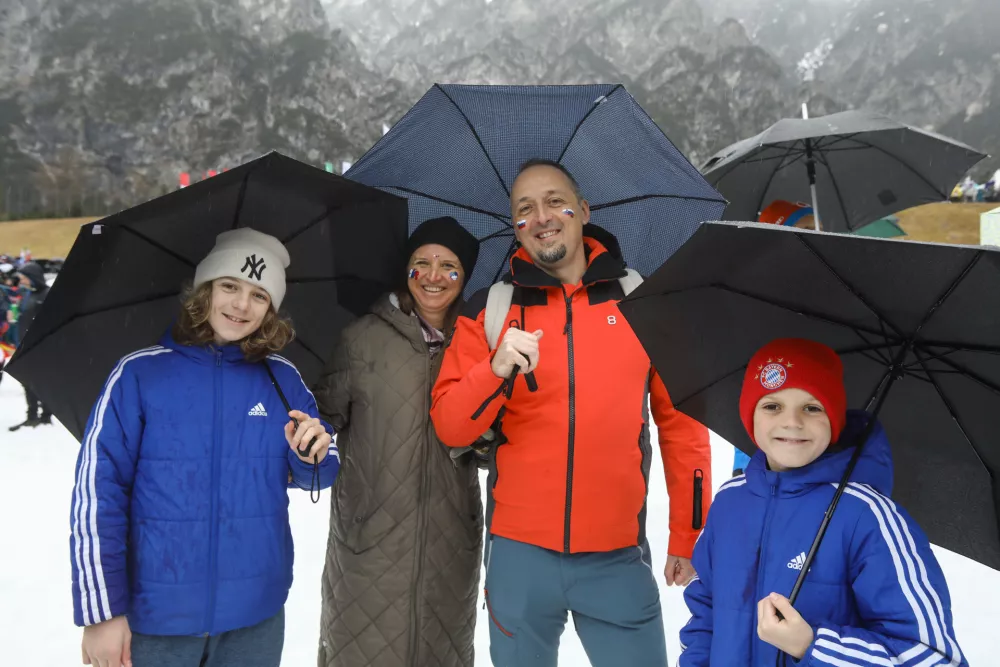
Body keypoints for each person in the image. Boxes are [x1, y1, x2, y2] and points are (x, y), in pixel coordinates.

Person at [431, 159, 712, 667]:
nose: (542, 216)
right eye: (525, 209)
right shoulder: (490, 308)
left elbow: (682, 424)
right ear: (514, 227)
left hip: (617, 556)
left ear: (583, 210)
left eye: (555, 201)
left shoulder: (641, 299)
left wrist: (690, 531)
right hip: (519, 556)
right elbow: (450, 424)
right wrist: (494, 370)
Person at [70, 228, 340, 667]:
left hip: (255, 617)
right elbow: (97, 497)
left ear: (271, 308)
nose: (240, 305)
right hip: (156, 620)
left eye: (258, 294)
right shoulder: (138, 376)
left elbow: (321, 469)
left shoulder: (281, 378)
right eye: (229, 286)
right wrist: (102, 613)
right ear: (204, 291)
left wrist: (312, 453)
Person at [678, 338, 966, 666]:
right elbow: (705, 613)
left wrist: (812, 645)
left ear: (833, 418)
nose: (792, 422)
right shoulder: (729, 502)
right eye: (772, 406)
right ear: (750, 416)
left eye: (812, 407)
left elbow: (932, 657)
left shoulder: (867, 516)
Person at [313, 216, 484, 667]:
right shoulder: (360, 338)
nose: (432, 276)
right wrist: (308, 435)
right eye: (421, 263)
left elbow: (492, 443)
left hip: (451, 544)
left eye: (449, 266)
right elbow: (322, 419)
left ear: (464, 277)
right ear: (404, 270)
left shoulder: (478, 342)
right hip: (367, 544)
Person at [8, 261, 52, 430]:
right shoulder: (27, 295)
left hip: (41, 348)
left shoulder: (47, 294)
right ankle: (32, 415)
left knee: (43, 382)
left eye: (25, 278)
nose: (22, 281)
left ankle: (46, 415)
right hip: (24, 346)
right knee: (27, 382)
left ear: (34, 278)